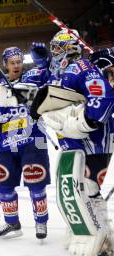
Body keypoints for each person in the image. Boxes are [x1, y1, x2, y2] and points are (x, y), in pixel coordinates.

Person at [33, 31, 114, 256]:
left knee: (88, 187)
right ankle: (82, 228)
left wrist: (87, 122)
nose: (54, 52)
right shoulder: (59, 72)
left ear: (71, 47)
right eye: (54, 47)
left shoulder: (82, 67)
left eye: (59, 47)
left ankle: (103, 236)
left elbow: (102, 95)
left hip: (93, 140)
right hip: (70, 141)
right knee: (70, 189)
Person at [0, 46, 51, 240]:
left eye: (19, 62)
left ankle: (41, 222)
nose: (16, 66)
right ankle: (11, 222)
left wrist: (45, 61)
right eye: (12, 63)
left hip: (33, 139)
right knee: (3, 183)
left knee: (35, 181)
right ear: (5, 64)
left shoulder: (33, 77)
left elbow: (51, 77)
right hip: (7, 143)